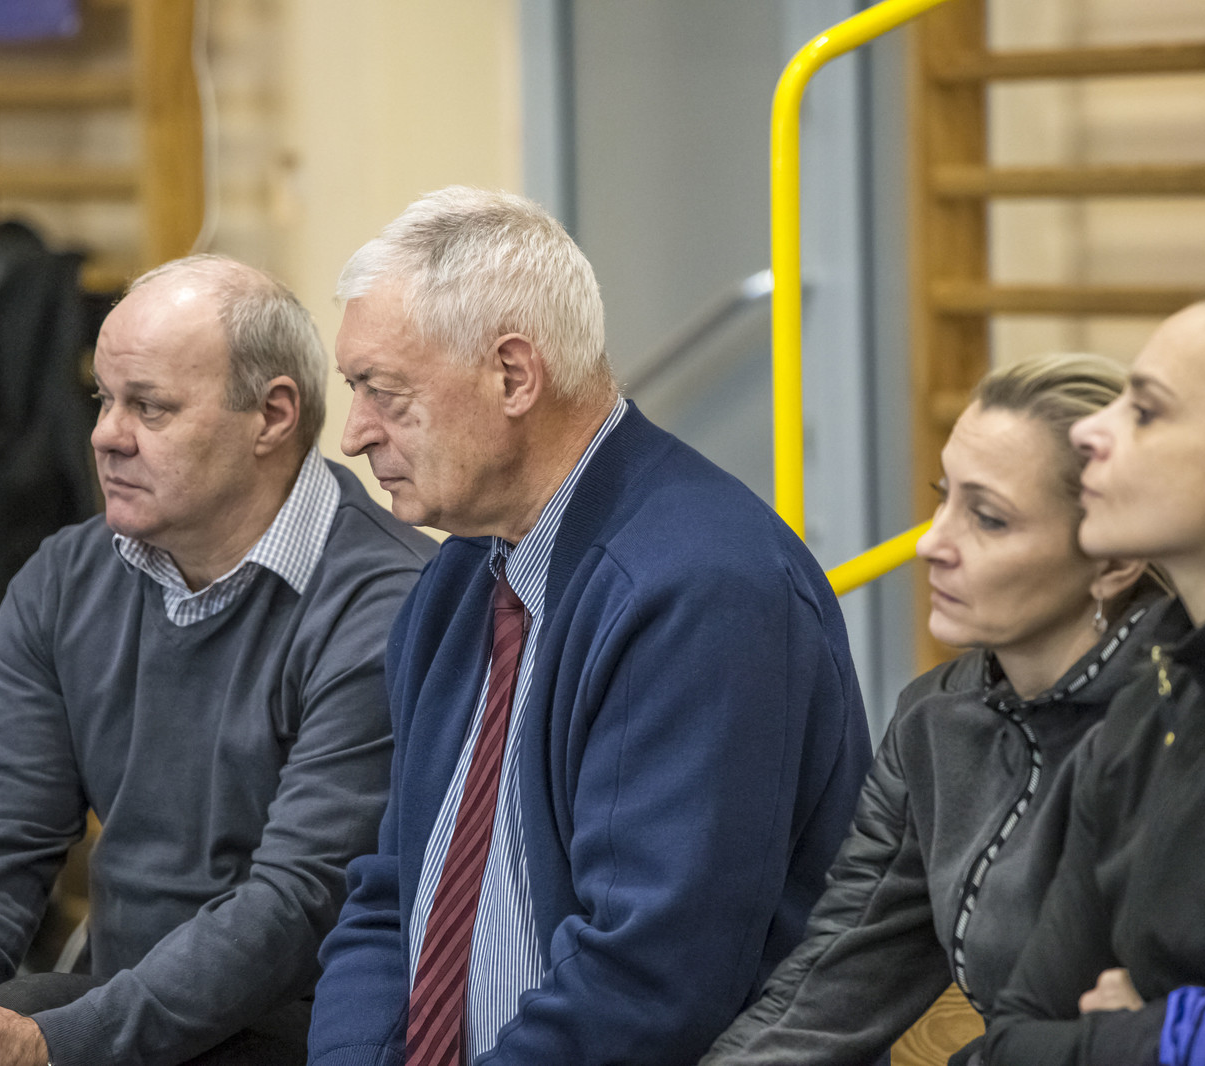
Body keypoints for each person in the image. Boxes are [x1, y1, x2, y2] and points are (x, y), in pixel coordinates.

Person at [303, 186, 871, 1066]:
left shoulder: (701, 588)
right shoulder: (461, 575)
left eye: (385, 392)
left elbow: (649, 981)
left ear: (513, 376)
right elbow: (390, 894)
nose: (355, 434)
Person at [0, 255, 435, 1066]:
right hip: (125, 1015)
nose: (105, 435)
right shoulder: (64, 580)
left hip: (313, 1029)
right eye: (103, 399)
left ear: (272, 416)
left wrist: (51, 1042)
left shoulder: (389, 604)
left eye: (150, 407)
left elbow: (297, 902)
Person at [703, 354, 1160, 1066]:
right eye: (943, 498)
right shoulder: (935, 720)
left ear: (1114, 559)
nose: (930, 543)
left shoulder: (1190, 723)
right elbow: (829, 993)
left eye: (988, 518)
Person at [985, 283, 1205, 1066]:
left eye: (1145, 411)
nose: (1088, 430)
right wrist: (1197, 1036)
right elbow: (1013, 1040)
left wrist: (1145, 1032)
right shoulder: (1152, 698)